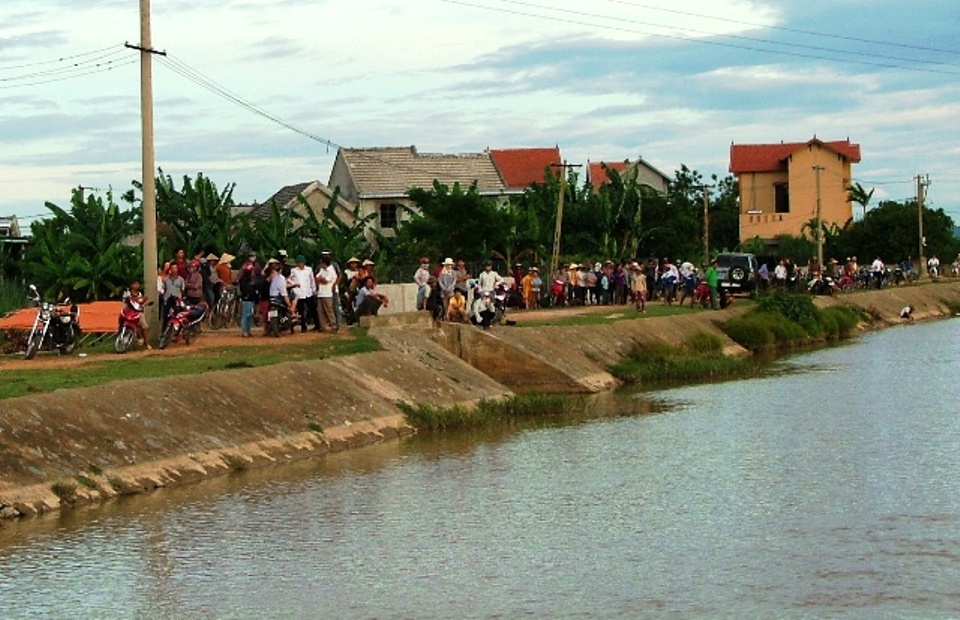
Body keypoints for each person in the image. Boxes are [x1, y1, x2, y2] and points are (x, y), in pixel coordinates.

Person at [291, 254, 320, 332]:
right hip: (299, 293)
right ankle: (303, 326)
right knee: (301, 311)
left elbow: (312, 280)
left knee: (313, 309)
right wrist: (294, 285)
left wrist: (314, 290)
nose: (300, 264)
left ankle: (317, 325)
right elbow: (288, 279)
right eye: (298, 262)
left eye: (301, 262)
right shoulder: (294, 271)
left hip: (308, 292)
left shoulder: (309, 270)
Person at [121, 279, 151, 348]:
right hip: (128, 311)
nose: (136, 285)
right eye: (134, 284)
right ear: (131, 285)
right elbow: (129, 300)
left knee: (144, 326)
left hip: (137, 312)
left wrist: (143, 303)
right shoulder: (127, 293)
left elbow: (141, 302)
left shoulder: (140, 294)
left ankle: (146, 343)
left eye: (137, 284)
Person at [315, 254, 339, 331]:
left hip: (328, 293)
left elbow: (325, 281)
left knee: (329, 310)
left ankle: (333, 324)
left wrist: (321, 279)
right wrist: (321, 279)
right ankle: (323, 326)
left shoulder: (331, 270)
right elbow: (317, 278)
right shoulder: (322, 270)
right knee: (320, 310)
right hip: (321, 292)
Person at [236, 262, 258, 338]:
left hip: (250, 298)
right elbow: (243, 289)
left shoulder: (250, 280)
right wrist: (246, 295)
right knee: (245, 315)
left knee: (249, 315)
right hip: (246, 299)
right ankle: (244, 331)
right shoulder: (243, 280)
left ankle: (248, 330)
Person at [162, 263, 185, 328]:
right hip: (167, 300)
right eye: (172, 268)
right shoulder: (166, 279)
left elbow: (182, 290)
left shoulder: (181, 279)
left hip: (177, 301)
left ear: (177, 269)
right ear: (170, 269)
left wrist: (180, 298)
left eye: (175, 268)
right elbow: (164, 289)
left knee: (178, 316)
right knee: (166, 317)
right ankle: (164, 332)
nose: (174, 270)